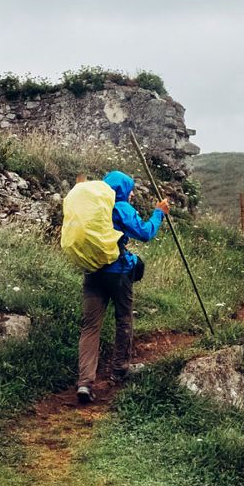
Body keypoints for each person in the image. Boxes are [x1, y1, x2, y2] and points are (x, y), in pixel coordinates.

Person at [76, 170, 168, 404]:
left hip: (93, 270)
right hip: (118, 273)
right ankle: (119, 370)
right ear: (123, 189)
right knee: (123, 318)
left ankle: (85, 382)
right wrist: (159, 213)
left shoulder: (93, 206)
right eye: (131, 188)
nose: (133, 192)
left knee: (90, 327)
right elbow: (146, 233)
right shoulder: (121, 208)